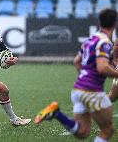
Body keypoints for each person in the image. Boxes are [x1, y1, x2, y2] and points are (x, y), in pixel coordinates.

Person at [34, 8, 118, 142]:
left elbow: (76, 61)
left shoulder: (90, 40)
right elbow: (102, 68)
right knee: (107, 131)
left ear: (99, 23)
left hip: (78, 90)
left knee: (82, 132)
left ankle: (57, 113)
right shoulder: (105, 43)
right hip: (92, 92)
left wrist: (86, 77)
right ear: (114, 24)